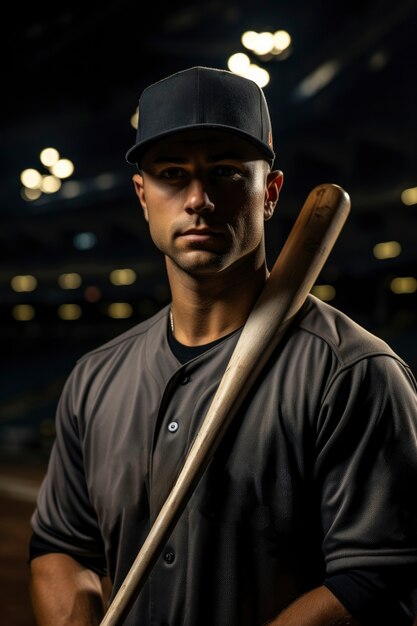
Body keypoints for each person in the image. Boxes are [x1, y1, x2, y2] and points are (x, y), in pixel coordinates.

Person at [28, 66, 417, 626]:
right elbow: (62, 546)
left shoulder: (353, 372)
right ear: (142, 194)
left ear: (271, 193)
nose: (198, 198)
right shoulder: (94, 377)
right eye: (170, 174)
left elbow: (379, 578)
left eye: (227, 173)